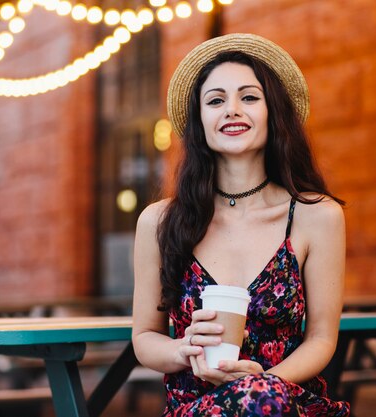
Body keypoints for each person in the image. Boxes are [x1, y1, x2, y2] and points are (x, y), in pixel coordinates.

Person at [132, 33, 350, 416]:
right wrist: (184, 349)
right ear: (201, 121)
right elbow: (145, 337)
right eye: (216, 100)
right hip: (195, 405)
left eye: (249, 97)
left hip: (286, 398)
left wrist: (265, 380)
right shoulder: (159, 222)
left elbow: (321, 338)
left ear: (273, 112)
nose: (232, 109)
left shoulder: (318, 215)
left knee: (262, 400)